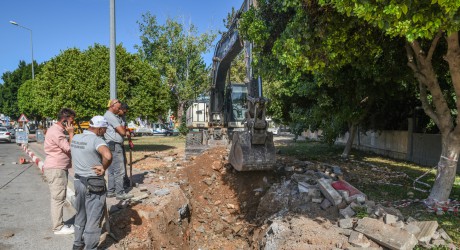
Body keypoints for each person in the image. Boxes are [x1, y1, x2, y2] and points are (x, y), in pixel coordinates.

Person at [71, 116, 112, 250]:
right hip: (94, 184)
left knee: (80, 214)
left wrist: (71, 133)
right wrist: (103, 167)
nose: (105, 132)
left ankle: (77, 244)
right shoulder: (97, 140)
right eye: (104, 129)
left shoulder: (76, 138)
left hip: (78, 181)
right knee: (94, 219)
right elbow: (108, 155)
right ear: (99, 128)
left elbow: (72, 145)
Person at [43, 108, 76, 235]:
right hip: (56, 169)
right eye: (71, 121)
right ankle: (58, 227)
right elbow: (70, 148)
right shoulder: (56, 132)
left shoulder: (56, 130)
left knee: (58, 197)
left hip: (57, 168)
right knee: (58, 198)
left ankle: (59, 224)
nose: (72, 124)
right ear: (64, 120)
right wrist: (71, 134)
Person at [104, 99, 133, 200]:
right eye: (119, 107)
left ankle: (111, 191)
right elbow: (122, 132)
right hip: (115, 145)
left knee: (111, 170)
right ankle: (120, 193)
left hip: (110, 144)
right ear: (113, 106)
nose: (119, 109)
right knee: (119, 170)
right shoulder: (111, 116)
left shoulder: (108, 115)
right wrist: (125, 131)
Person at [118, 103, 133, 188]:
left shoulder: (123, 117)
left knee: (124, 162)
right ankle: (120, 184)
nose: (124, 114)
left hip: (121, 143)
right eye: (124, 112)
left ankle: (126, 179)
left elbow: (126, 130)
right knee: (119, 165)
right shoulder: (114, 118)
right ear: (120, 109)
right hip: (115, 144)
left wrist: (130, 140)